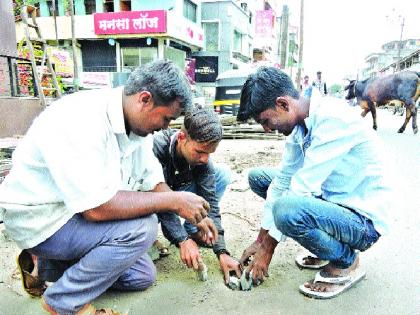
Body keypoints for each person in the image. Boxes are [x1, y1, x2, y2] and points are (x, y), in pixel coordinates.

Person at [0, 60, 215, 314]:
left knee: (142, 276)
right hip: (42, 220)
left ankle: (44, 268)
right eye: (166, 118)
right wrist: (174, 202)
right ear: (145, 99)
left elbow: (153, 181)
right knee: (141, 229)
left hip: (71, 214)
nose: (165, 127)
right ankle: (62, 301)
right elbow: (96, 208)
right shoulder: (82, 120)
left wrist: (191, 211)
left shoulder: (136, 128)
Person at [237, 67, 392, 299]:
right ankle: (328, 245)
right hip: (333, 202)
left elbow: (301, 189)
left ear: (283, 104)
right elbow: (282, 182)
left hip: (363, 221)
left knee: (287, 209)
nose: (267, 129)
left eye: (266, 121)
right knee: (261, 179)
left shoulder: (332, 118)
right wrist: (260, 240)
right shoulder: (299, 126)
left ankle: (345, 260)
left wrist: (267, 249)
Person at [153, 107, 241, 284]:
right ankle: (151, 239)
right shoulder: (157, 148)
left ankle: (195, 228)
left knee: (221, 174)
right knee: (150, 231)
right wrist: (181, 239)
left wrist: (221, 252)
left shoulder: (203, 160)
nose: (205, 159)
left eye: (209, 153)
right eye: (200, 152)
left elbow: (211, 204)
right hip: (150, 199)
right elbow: (158, 198)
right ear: (181, 138)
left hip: (177, 194)